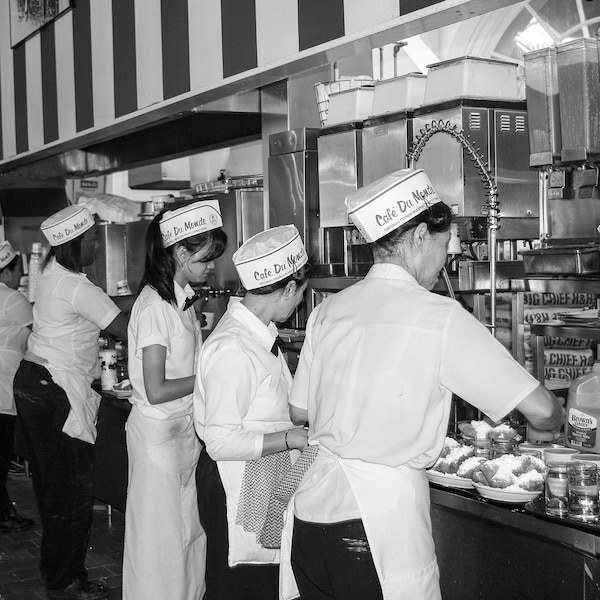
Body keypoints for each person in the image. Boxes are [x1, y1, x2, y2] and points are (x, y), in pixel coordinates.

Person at [283, 169, 565, 600]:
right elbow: (542, 409)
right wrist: (550, 429)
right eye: (443, 245)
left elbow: (300, 412)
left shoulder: (329, 310)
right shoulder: (439, 316)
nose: (446, 260)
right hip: (377, 527)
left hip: (312, 515)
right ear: (418, 236)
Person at [13, 204, 129, 600]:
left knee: (54, 488)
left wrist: (142, 299)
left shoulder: (51, 274)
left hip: (34, 382)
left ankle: (58, 572)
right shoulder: (77, 286)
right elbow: (122, 326)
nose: (97, 245)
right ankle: (65, 580)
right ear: (77, 243)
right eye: (94, 239)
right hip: (56, 390)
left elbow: (105, 303)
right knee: (72, 491)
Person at [194, 224, 310, 600]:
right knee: (241, 588)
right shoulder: (234, 349)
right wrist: (291, 437)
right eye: (302, 294)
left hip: (256, 478)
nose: (301, 304)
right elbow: (220, 441)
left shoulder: (260, 334)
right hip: (235, 482)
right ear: (288, 288)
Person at [122, 200, 227, 600]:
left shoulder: (179, 299)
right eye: (204, 259)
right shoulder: (153, 307)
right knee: (160, 547)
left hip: (180, 434)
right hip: (158, 437)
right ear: (181, 253)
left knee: (186, 538)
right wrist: (206, 377)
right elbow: (156, 388)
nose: (209, 267)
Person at [0, 241, 34, 533]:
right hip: (3, 385)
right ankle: (2, 514)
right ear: (9, 271)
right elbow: (44, 329)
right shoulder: (12, 299)